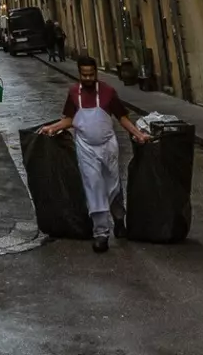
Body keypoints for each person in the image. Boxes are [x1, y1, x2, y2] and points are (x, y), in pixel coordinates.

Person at [41, 55, 149, 253]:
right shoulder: (74, 94)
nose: (88, 78)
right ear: (79, 74)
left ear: (96, 73)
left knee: (113, 184)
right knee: (94, 186)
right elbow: (69, 120)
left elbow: (122, 117)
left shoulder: (108, 92)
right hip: (86, 147)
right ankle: (101, 233)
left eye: (92, 74)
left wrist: (138, 134)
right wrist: (53, 127)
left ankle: (118, 218)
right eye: (85, 75)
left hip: (108, 145)